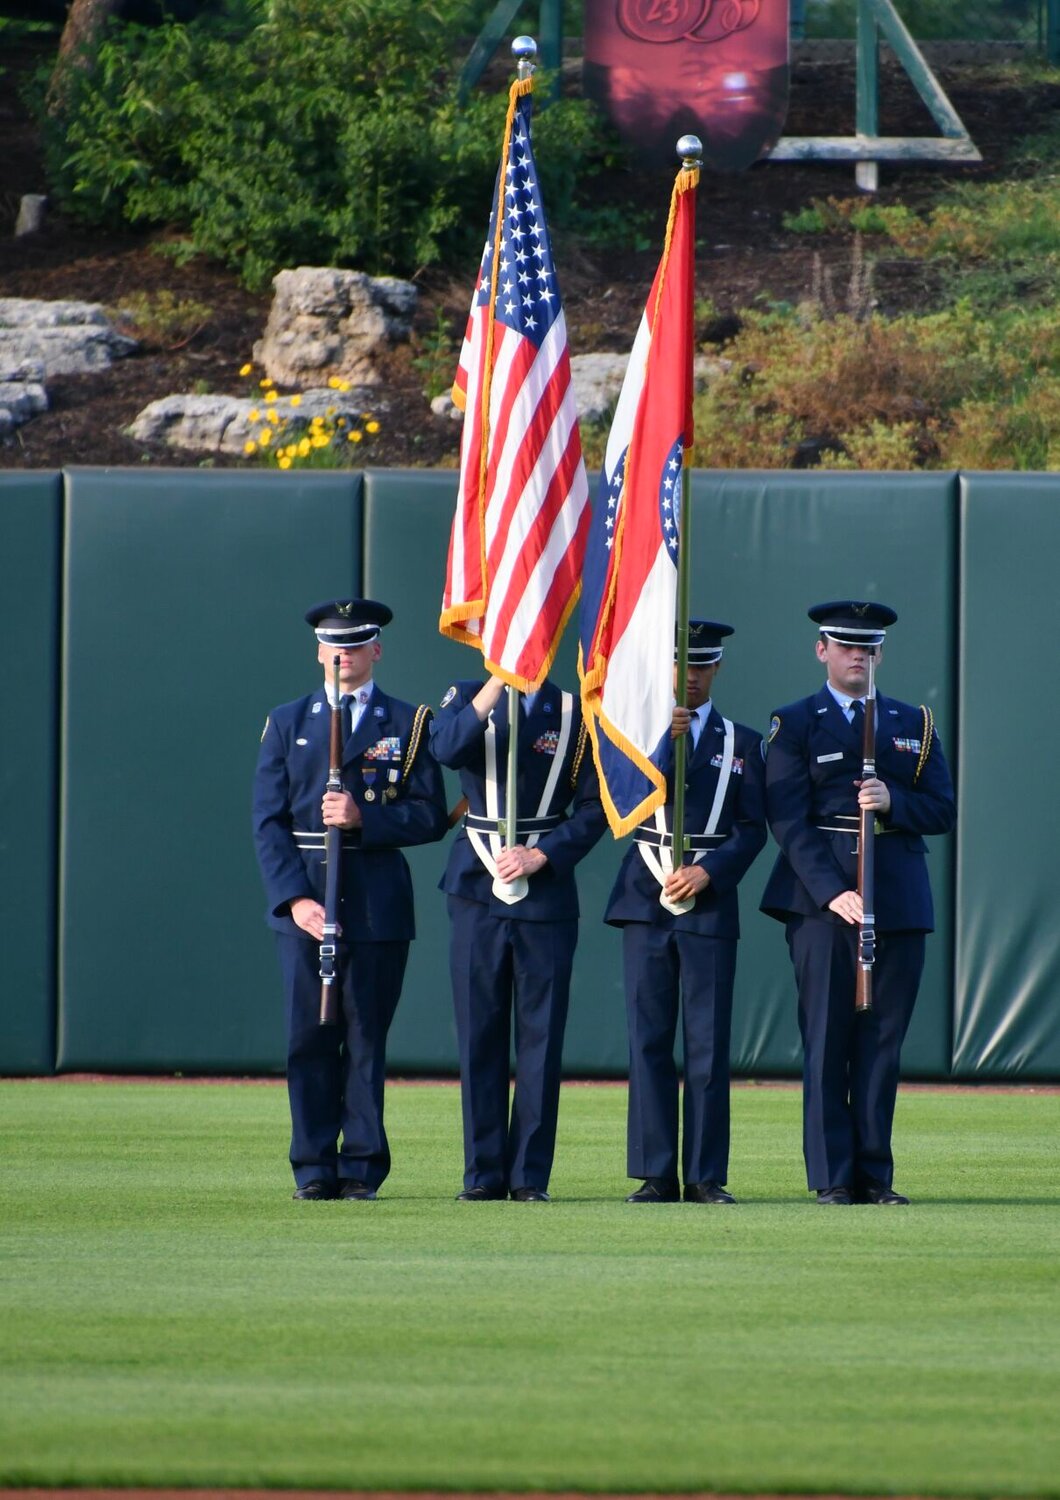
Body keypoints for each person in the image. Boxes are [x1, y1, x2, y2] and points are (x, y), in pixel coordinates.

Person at [760, 600, 956, 1206]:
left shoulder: (913, 723)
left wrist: (893, 800)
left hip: (896, 898)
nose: (857, 656)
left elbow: (942, 810)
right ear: (822, 650)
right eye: (845, 645)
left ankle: (875, 1174)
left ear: (880, 654)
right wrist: (832, 891)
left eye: (867, 647)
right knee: (827, 1039)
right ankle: (832, 1177)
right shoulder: (794, 723)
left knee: (882, 1041)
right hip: (822, 903)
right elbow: (787, 819)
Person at [253, 598, 448, 1201]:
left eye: (356, 644)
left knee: (366, 1037)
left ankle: (362, 1167)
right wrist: (293, 901)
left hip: (375, 902)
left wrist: (367, 819)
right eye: (334, 645)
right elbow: (267, 822)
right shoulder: (288, 722)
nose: (344, 655)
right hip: (308, 903)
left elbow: (430, 816)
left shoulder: (407, 721)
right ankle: (312, 1166)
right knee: (308, 1038)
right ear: (319, 651)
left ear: (376, 651)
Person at [605, 620, 767, 1205]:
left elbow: (752, 830)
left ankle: (703, 1175)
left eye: (700, 666)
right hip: (645, 898)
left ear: (716, 669)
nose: (690, 677)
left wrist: (711, 871)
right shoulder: (634, 735)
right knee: (648, 1039)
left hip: (708, 902)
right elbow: (621, 801)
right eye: (680, 666)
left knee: (707, 1042)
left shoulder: (744, 743)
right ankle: (654, 1173)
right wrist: (661, 748)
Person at [429, 674, 607, 1202]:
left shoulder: (576, 711)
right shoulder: (463, 694)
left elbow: (597, 806)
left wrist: (544, 854)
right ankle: (482, 1174)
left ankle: (529, 1175)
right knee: (478, 1035)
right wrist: (492, 691)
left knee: (542, 1039)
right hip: (475, 888)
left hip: (546, 891)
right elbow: (445, 747)